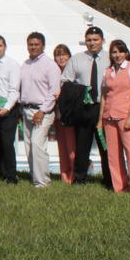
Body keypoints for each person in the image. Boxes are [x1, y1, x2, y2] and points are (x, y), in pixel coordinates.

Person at [61, 26, 111, 187]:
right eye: (89, 40)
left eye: (95, 40)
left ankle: (109, 179)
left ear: (103, 41)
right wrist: (79, 91)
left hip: (105, 107)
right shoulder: (76, 59)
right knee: (82, 146)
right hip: (84, 107)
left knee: (106, 146)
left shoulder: (111, 58)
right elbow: (65, 81)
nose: (92, 43)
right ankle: (80, 179)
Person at [98, 39, 130, 198]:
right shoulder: (108, 71)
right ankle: (120, 187)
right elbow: (104, 95)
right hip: (109, 116)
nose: (117, 55)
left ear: (125, 53)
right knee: (113, 154)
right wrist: (100, 119)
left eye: (120, 51)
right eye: (114, 52)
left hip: (127, 115)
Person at [19, 32, 61, 188]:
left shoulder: (50, 65)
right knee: (29, 147)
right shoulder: (25, 64)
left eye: (36, 44)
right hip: (26, 109)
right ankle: (34, 177)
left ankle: (43, 183)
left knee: (37, 145)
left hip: (42, 111)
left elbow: (54, 91)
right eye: (30, 44)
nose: (33, 47)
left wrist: (42, 111)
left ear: (43, 45)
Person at [0, 35, 21, 184]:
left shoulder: (12, 64)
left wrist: (7, 108)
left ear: (5, 47)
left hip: (8, 109)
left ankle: (11, 176)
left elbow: (15, 90)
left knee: (7, 143)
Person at [52, 44, 76, 184]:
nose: (61, 58)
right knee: (62, 146)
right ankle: (64, 174)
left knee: (72, 146)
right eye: (58, 55)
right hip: (58, 115)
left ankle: (74, 173)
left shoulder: (73, 73)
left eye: (63, 54)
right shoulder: (54, 73)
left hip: (71, 115)